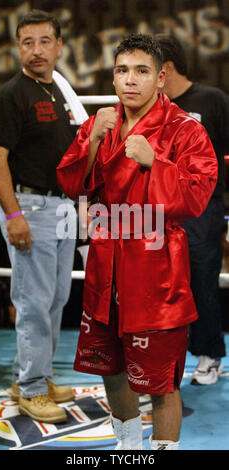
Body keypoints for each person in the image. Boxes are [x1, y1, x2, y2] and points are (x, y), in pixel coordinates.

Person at [57, 33, 217, 450]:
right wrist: (91, 143)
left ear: (161, 78)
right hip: (105, 268)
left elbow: (197, 197)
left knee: (162, 382)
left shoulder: (185, 129)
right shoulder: (99, 125)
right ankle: (128, 448)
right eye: (122, 70)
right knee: (112, 370)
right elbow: (71, 184)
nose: (130, 80)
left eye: (142, 71)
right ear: (113, 76)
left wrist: (155, 162)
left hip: (156, 272)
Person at [0, 10, 88, 423]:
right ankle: (31, 390)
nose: (36, 50)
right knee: (33, 302)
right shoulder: (11, 94)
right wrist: (13, 214)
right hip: (29, 207)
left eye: (44, 41)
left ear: (58, 45)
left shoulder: (59, 92)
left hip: (61, 206)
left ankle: (35, 376)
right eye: (28, 42)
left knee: (56, 299)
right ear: (18, 47)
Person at [156, 33, 229, 385]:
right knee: (159, 286)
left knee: (202, 280)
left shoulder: (212, 100)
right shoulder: (150, 108)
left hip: (203, 210)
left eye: (148, 68)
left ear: (165, 69)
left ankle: (209, 355)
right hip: (159, 211)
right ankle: (164, 358)